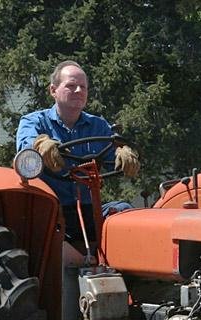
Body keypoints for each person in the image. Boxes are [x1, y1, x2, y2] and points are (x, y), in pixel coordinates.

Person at [16, 60, 139, 241]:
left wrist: (123, 152)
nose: (79, 91)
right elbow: (26, 151)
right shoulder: (33, 122)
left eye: (83, 87)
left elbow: (114, 156)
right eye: (71, 86)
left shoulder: (98, 125)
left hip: (91, 208)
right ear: (53, 90)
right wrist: (39, 144)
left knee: (127, 214)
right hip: (51, 210)